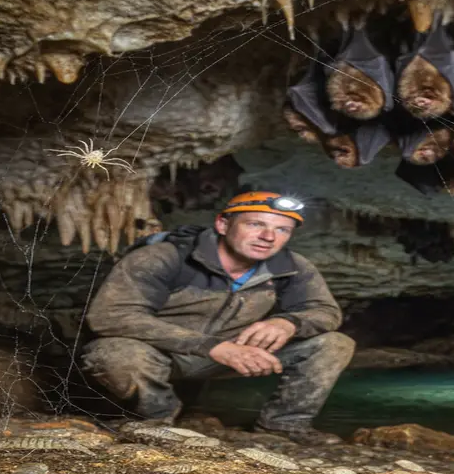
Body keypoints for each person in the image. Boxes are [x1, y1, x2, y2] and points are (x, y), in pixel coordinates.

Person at [80, 191, 353, 445]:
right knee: (114, 352)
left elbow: (325, 312)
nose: (269, 237)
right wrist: (211, 346)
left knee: (334, 342)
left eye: (282, 230)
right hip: (161, 353)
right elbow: (110, 315)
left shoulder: (293, 267)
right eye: (255, 224)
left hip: (231, 356)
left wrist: (288, 323)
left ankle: (284, 425)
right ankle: (158, 421)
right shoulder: (163, 257)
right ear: (223, 225)